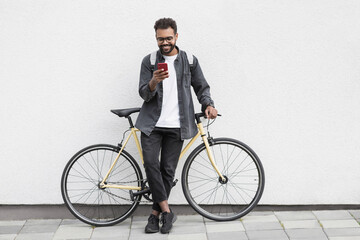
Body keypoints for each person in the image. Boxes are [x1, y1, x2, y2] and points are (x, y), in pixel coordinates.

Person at [135, 17, 217, 234]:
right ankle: (167, 211)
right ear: (156, 38)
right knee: (151, 164)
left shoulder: (189, 60)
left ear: (176, 37)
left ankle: (155, 215)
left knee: (167, 171)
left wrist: (208, 104)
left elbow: (201, 87)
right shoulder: (149, 61)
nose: (164, 43)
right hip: (152, 125)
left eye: (168, 38)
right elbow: (144, 93)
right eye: (160, 39)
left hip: (176, 126)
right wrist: (154, 81)